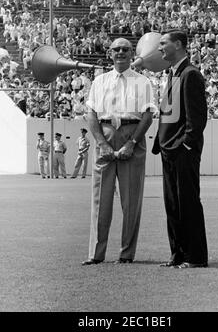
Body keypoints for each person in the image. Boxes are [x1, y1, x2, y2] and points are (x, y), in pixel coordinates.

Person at [82, 37, 156, 265]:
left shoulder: (143, 82)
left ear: (132, 53)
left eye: (125, 49)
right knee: (100, 199)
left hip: (131, 135)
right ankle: (96, 254)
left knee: (131, 199)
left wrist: (132, 143)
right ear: (110, 54)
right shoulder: (99, 81)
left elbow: (147, 115)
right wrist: (102, 143)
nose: (121, 52)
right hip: (105, 136)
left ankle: (126, 254)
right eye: (117, 49)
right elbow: (91, 114)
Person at [152, 29, 208, 269]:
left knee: (187, 203)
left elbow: (197, 119)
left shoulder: (190, 74)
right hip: (169, 150)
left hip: (182, 150)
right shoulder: (173, 74)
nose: (159, 48)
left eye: (163, 43)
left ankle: (195, 257)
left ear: (178, 44)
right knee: (172, 205)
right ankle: (178, 255)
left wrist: (185, 144)